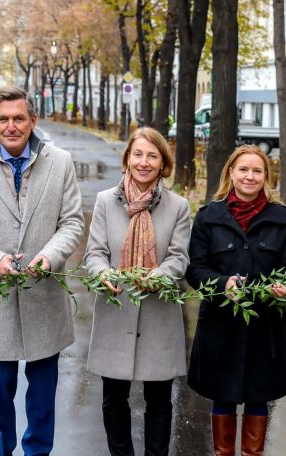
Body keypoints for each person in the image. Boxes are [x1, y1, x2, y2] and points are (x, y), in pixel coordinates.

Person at [0, 87, 84, 456]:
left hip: (46, 299)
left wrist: (50, 258)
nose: (11, 126)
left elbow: (71, 223)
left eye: (19, 118)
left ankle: (38, 452)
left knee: (42, 402)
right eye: (3, 118)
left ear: (33, 121)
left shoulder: (61, 162)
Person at [186, 145, 286, 456]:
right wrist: (223, 283)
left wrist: (285, 287)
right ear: (231, 173)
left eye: (257, 171)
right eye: (243, 170)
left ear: (266, 176)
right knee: (222, 396)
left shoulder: (283, 218)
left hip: (264, 328)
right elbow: (195, 270)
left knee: (257, 397)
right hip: (220, 327)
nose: (249, 176)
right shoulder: (209, 216)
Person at [84, 127, 191, 456]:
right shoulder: (105, 201)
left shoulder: (178, 207)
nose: (144, 162)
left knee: (159, 402)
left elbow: (179, 257)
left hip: (159, 314)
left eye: (153, 155)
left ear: (163, 163)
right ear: (127, 159)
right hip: (115, 311)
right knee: (113, 399)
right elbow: (95, 253)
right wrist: (103, 273)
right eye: (138, 154)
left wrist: (159, 275)